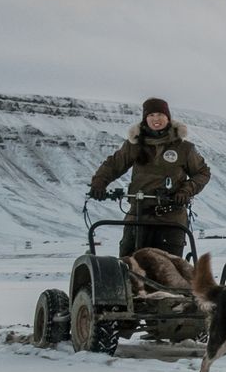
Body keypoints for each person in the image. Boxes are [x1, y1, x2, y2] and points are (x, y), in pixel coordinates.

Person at [89, 97, 211, 257]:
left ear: (168, 117)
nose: (156, 119)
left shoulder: (183, 148)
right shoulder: (134, 145)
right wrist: (99, 183)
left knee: (170, 268)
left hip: (171, 218)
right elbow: (113, 165)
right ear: (145, 118)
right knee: (129, 262)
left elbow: (202, 172)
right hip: (139, 214)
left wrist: (185, 191)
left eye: (160, 114)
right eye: (151, 115)